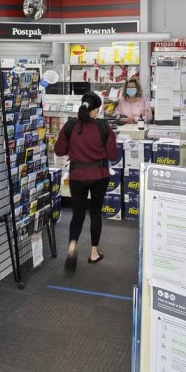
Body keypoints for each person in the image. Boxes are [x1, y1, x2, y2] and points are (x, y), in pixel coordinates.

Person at [54, 92, 118, 272]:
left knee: (78, 214)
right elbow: (113, 155)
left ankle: (72, 248)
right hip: (99, 176)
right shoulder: (103, 127)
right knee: (95, 213)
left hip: (77, 176)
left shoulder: (70, 125)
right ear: (96, 110)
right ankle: (93, 253)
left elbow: (59, 150)